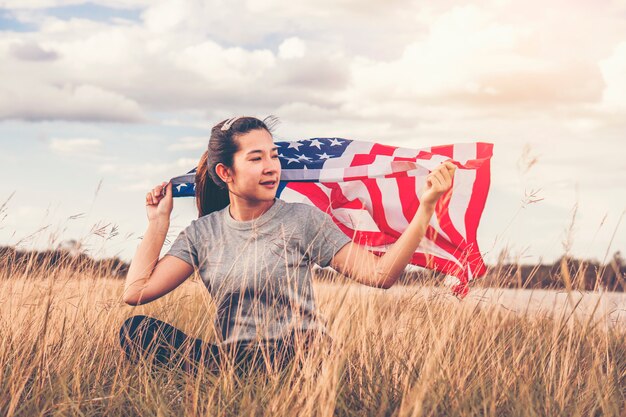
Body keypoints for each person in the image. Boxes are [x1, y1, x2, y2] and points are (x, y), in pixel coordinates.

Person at [119, 115, 456, 375]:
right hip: (234, 360)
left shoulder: (301, 220)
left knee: (293, 353)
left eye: (274, 156)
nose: (271, 168)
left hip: (300, 354)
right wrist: (158, 223)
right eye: (256, 159)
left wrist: (426, 208)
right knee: (136, 330)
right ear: (225, 172)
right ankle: (229, 382)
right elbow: (136, 292)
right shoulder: (202, 234)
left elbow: (380, 274)